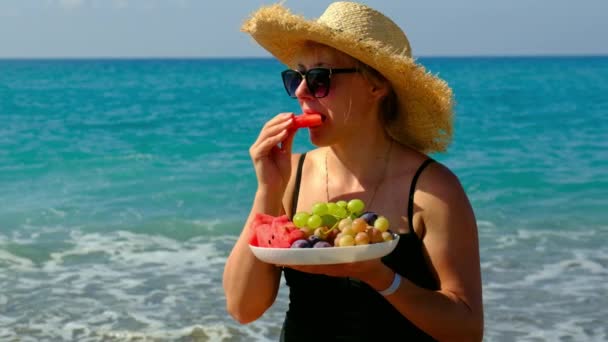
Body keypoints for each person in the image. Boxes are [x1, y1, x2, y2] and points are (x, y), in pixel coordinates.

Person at [223, 2, 483, 341]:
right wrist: (267, 189)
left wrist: (381, 278)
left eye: (318, 78)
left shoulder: (432, 190)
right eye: (296, 77)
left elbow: (466, 329)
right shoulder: (291, 177)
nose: (301, 92)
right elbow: (243, 308)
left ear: (376, 86)